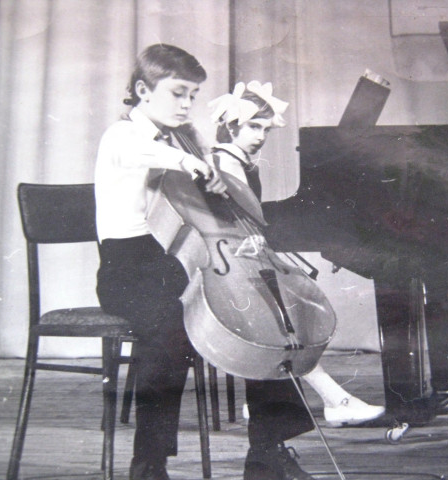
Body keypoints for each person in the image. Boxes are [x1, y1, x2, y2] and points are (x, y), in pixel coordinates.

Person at [94, 44, 317, 480]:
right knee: (170, 327)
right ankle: (149, 464)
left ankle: (268, 451)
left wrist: (222, 171)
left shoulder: (183, 138)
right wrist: (190, 162)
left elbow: (209, 195)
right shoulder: (123, 135)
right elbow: (142, 154)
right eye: (177, 93)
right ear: (142, 90)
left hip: (173, 262)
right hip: (127, 268)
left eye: (192, 95)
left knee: (258, 314)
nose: (186, 104)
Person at [208, 81, 385, 428]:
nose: (261, 136)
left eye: (265, 129)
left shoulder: (237, 160)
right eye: (253, 127)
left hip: (243, 260)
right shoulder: (225, 163)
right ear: (231, 126)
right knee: (285, 325)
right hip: (233, 269)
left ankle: (277, 402)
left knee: (289, 319)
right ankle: (336, 401)